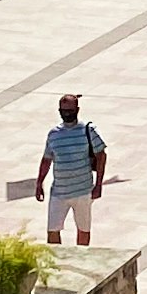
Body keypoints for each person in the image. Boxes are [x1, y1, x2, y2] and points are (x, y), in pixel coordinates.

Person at [36, 92, 111, 246]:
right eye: (64, 111)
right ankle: (56, 263)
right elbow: (46, 159)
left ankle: (82, 259)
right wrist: (39, 183)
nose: (67, 114)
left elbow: (101, 156)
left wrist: (98, 185)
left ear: (77, 110)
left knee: (83, 229)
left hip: (83, 191)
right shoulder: (54, 134)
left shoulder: (88, 131)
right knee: (52, 231)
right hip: (59, 192)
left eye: (70, 111)